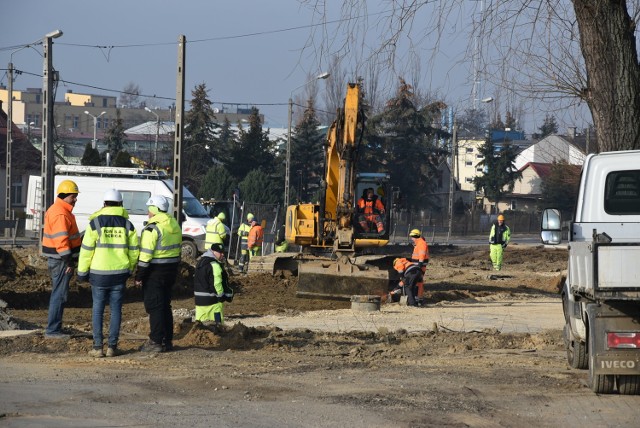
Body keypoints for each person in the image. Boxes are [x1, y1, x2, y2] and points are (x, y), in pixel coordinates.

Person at [77, 189, 139, 358]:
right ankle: (112, 347)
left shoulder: (95, 223)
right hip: (119, 273)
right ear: (121, 205)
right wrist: (130, 269)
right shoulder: (128, 225)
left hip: (98, 274)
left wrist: (82, 272)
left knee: (97, 309)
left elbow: (86, 251)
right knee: (116, 310)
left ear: (104, 204)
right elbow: (134, 251)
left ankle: (97, 347)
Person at [135, 195, 182, 353]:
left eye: (149, 209)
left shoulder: (152, 228)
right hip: (171, 271)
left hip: (154, 273)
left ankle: (155, 341)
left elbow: (145, 256)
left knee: (155, 307)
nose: (148, 212)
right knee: (165, 306)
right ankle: (167, 341)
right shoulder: (173, 224)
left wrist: (139, 276)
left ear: (154, 210)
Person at [42, 179, 82, 340]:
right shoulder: (60, 213)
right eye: (73, 196)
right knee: (59, 295)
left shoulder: (61, 210)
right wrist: (69, 261)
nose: (75, 199)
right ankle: (53, 330)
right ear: (65, 196)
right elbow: (62, 242)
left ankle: (54, 328)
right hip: (60, 261)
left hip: (59, 260)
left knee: (59, 294)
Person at [194, 243, 234, 324]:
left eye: (223, 252)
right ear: (213, 251)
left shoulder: (200, 262)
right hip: (213, 301)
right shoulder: (214, 265)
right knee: (217, 327)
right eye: (220, 252)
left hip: (199, 301)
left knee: (200, 327)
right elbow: (217, 284)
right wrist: (221, 297)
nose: (222, 254)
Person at [409, 229, 429, 299]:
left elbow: (422, 254)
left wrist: (419, 265)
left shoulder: (421, 243)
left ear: (414, 236)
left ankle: (418, 297)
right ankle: (417, 297)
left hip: (419, 266)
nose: (411, 239)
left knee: (418, 282)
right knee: (418, 281)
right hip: (417, 266)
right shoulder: (419, 243)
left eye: (412, 237)